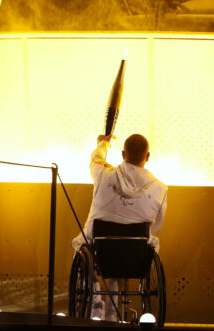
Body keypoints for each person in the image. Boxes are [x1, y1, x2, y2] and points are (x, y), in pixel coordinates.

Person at [72, 133, 167, 321]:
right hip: (135, 257)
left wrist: (103, 143)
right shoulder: (160, 189)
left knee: (84, 246)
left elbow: (96, 159)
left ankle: (96, 307)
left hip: (100, 252)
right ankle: (113, 314)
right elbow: (157, 227)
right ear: (147, 157)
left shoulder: (103, 175)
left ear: (123, 154)